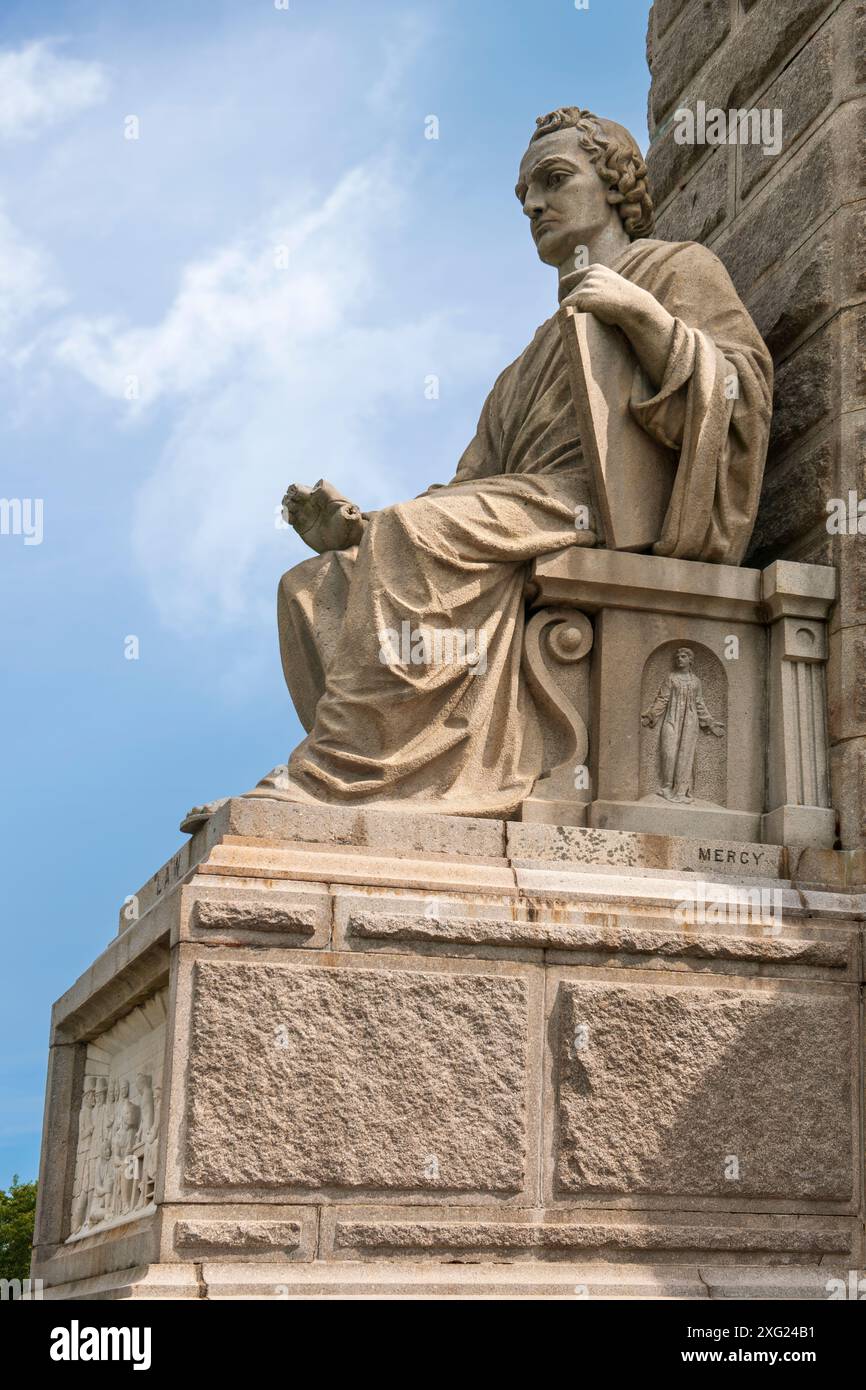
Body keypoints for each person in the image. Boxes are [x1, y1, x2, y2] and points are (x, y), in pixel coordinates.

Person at [181, 107, 771, 831]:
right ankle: (388, 772)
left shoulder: (677, 269)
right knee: (313, 584)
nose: (533, 204)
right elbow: (467, 491)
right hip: (520, 511)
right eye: (523, 193)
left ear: (615, 186)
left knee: (412, 533)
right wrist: (355, 532)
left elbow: (742, 393)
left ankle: (341, 778)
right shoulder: (527, 363)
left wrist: (643, 317)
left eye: (554, 180)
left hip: (594, 512)